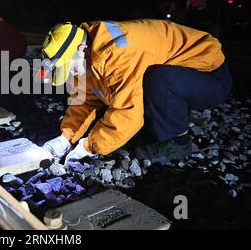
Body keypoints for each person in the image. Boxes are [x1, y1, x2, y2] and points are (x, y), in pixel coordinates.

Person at [40, 20, 233, 165]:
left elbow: (128, 111)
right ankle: (165, 119)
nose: (72, 73)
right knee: (143, 85)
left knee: (159, 80)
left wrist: (90, 146)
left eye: (70, 68)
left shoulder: (120, 54)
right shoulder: (86, 53)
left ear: (82, 48)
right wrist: (66, 138)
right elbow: (84, 100)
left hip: (209, 75)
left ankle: (177, 141)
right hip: (182, 76)